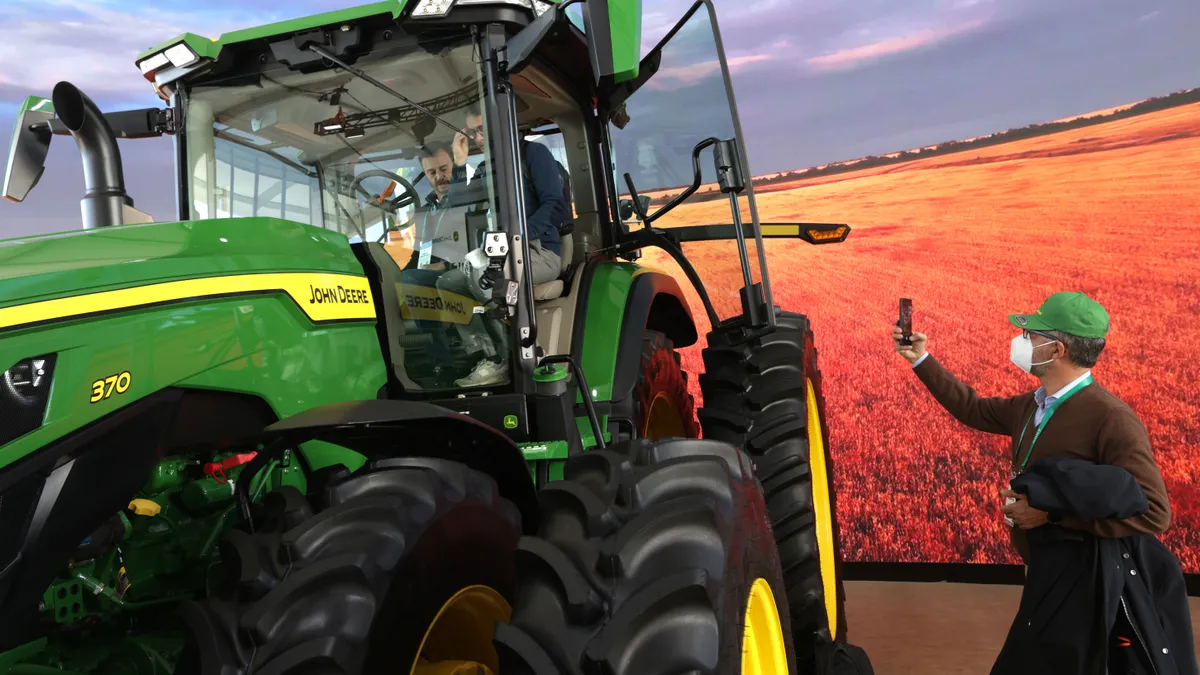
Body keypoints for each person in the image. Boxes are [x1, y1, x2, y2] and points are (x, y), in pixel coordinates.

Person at [892, 291, 1178, 672]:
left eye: (1030, 336)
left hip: (1084, 579)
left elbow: (1156, 513)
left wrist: (1052, 518)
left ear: (1057, 349)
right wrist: (920, 359)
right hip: (1045, 569)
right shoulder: (1034, 404)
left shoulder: (1111, 418)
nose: (1022, 342)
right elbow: (972, 407)